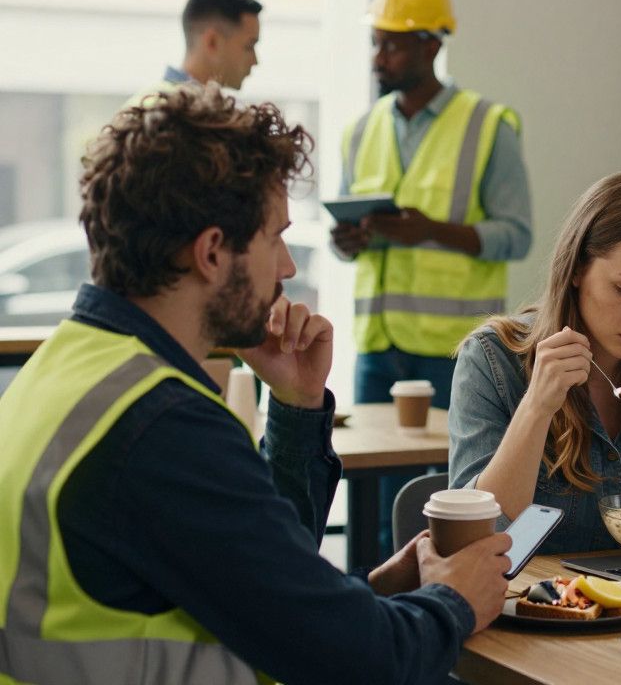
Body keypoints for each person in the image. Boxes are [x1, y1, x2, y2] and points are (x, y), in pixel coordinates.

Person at [0, 84, 510, 684]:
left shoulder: (65, 367)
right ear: (213, 252)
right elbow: (360, 664)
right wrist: (455, 602)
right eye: (274, 237)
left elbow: (257, 592)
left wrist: (294, 406)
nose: (288, 267)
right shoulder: (162, 426)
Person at [330, 0, 532, 558]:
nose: (379, 55)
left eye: (392, 42)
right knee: (372, 511)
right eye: (377, 40)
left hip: (457, 353)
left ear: (431, 45)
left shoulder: (488, 125)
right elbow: (347, 243)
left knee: (449, 508)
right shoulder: (361, 131)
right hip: (379, 348)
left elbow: (516, 235)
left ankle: (440, 623)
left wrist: (430, 231)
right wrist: (350, 240)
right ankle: (369, 624)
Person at [447, 170, 621, 554]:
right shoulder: (492, 358)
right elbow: (477, 536)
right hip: (539, 602)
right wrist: (537, 407)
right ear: (578, 269)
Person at [126, 0, 262, 107]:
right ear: (212, 42)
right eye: (249, 46)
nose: (255, 61)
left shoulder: (153, 104)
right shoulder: (163, 113)